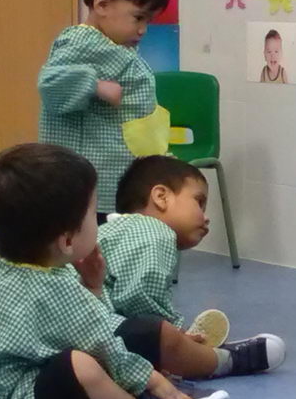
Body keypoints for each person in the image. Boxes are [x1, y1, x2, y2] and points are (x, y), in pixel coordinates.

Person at [0, 144, 222, 399]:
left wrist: (94, 287)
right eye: (92, 216)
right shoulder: (54, 288)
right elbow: (107, 348)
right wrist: (155, 383)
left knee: (91, 354)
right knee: (82, 366)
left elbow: (96, 325)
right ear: (68, 240)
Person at [97, 155, 286, 379]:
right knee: (162, 336)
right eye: (199, 202)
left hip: (82, 333)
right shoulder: (155, 233)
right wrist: (176, 331)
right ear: (161, 197)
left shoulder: (119, 229)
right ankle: (223, 360)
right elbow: (139, 298)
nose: (206, 218)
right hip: (101, 334)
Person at [38, 0, 171, 224]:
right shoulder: (80, 41)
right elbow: (50, 84)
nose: (143, 29)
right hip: (92, 180)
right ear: (101, 5)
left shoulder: (114, 43)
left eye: (149, 20)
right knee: (94, 246)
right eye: (138, 17)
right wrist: (94, 85)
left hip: (119, 172)